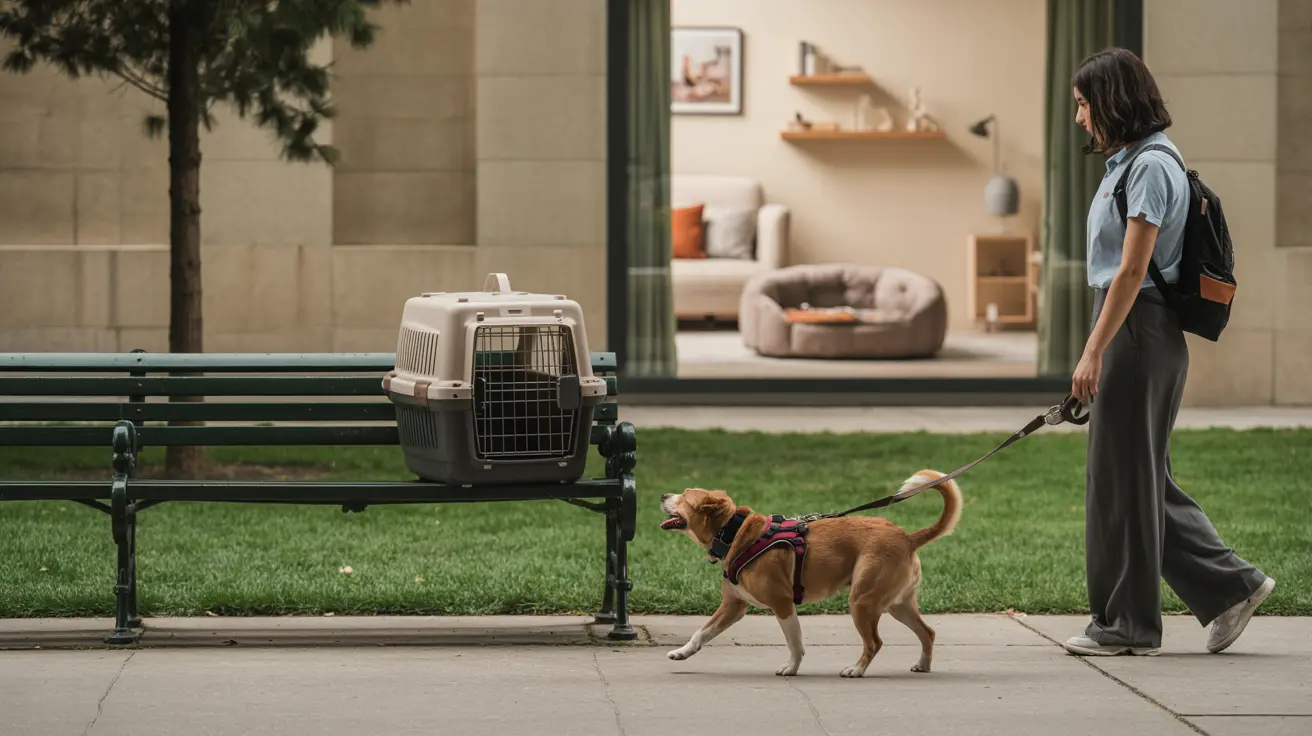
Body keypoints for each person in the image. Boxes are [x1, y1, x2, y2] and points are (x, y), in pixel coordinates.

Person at [1062, 47, 1274, 657]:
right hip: (1132, 331)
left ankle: (1128, 626)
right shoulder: (1130, 162)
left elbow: (1130, 271)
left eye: (1083, 105)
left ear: (1111, 101)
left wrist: (1091, 350)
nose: (1079, 119)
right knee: (1133, 477)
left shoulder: (1152, 165)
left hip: (1136, 332)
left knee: (1125, 481)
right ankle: (1234, 587)